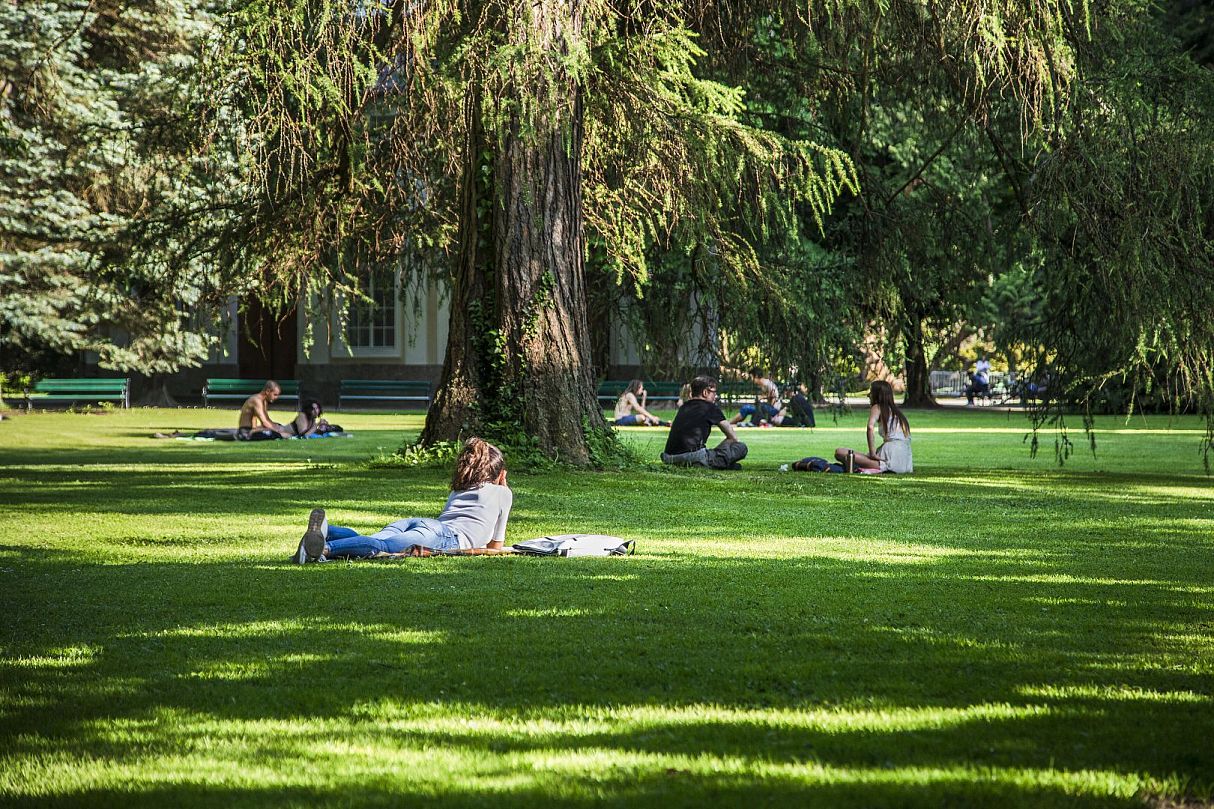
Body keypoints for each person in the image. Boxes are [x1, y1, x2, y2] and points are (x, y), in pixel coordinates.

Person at [293, 437, 512, 563]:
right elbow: (496, 545)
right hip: (445, 536)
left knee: (373, 539)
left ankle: (327, 529)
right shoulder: (503, 494)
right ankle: (323, 549)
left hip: (423, 525)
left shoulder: (460, 488)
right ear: (499, 473)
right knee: (382, 547)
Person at [661, 376, 748, 469]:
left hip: (669, 458)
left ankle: (721, 464)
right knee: (741, 447)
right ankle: (716, 463)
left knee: (715, 455)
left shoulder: (684, 407)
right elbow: (733, 437)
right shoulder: (710, 407)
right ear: (705, 392)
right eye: (714, 392)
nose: (716, 396)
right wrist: (718, 451)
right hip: (693, 457)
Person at [832, 380, 913, 473]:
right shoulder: (897, 412)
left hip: (890, 460)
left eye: (871, 392)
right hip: (905, 461)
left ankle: (859, 466)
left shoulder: (877, 407)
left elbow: (870, 427)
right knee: (851, 454)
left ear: (877, 395)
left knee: (839, 452)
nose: (868, 395)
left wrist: (872, 453)